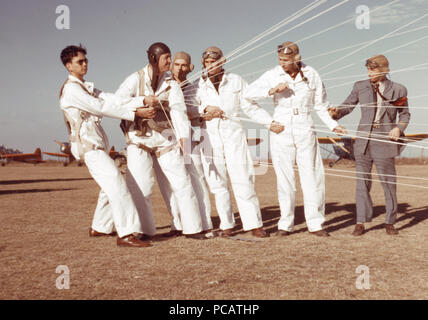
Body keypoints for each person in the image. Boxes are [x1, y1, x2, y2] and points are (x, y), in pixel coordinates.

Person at [244, 41, 347, 237]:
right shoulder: (272, 75)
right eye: (280, 59)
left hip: (305, 125)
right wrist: (269, 108)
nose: (283, 63)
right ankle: (286, 224)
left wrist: (333, 125)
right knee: (285, 179)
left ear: (296, 58)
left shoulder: (311, 74)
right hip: (281, 126)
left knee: (312, 176)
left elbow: (320, 105)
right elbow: (248, 96)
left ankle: (316, 224)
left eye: (287, 60)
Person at [59, 44, 151, 247]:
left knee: (110, 185)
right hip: (88, 147)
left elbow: (110, 98)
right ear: (68, 66)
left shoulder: (84, 87)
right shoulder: (72, 90)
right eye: (79, 62)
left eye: (85, 60)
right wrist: (135, 113)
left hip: (97, 146)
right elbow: (100, 106)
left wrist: (141, 100)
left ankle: (100, 227)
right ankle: (126, 233)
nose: (85, 64)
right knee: (117, 184)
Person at [115, 42, 208, 240]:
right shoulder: (135, 79)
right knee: (142, 185)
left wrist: (184, 139)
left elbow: (179, 111)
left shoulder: (171, 83)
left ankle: (192, 228)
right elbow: (117, 102)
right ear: (153, 59)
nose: (169, 61)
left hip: (166, 140)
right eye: (166, 58)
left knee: (182, 182)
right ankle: (143, 230)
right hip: (139, 139)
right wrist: (140, 105)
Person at [193, 46, 277, 238]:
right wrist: (206, 109)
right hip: (210, 137)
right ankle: (226, 224)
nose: (210, 65)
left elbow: (250, 106)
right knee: (217, 183)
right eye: (206, 62)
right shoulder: (198, 85)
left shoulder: (236, 81)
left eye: (214, 61)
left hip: (234, 137)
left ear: (222, 61)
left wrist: (269, 122)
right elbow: (191, 108)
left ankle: (254, 224)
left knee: (243, 180)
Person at [328, 54, 410, 236]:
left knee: (388, 183)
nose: (370, 73)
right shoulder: (360, 86)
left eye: (373, 70)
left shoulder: (398, 90)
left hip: (385, 141)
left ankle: (390, 221)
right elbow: (347, 105)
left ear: (385, 70)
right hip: (363, 142)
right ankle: (360, 222)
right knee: (361, 184)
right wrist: (335, 114)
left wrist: (398, 128)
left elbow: (405, 114)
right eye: (368, 70)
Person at [170, 51, 213, 233]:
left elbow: (196, 112)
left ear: (189, 68)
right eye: (177, 64)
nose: (180, 68)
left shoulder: (193, 88)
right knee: (172, 183)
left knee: (198, 176)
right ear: (171, 65)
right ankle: (177, 224)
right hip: (167, 137)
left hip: (188, 136)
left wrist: (195, 114)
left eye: (184, 65)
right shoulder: (164, 85)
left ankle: (204, 222)